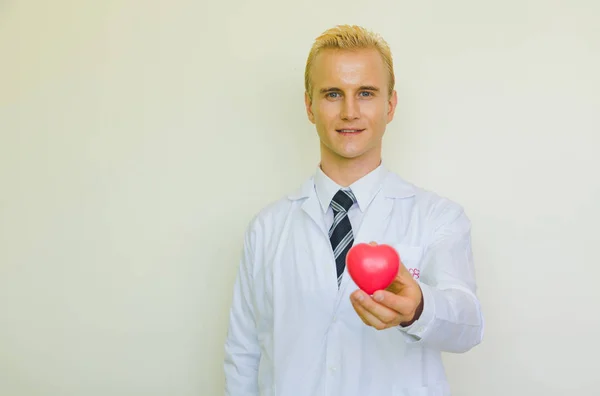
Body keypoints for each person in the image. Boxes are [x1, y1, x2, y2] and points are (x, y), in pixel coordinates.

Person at [223, 24, 484, 396]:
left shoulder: (438, 217)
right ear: (309, 106)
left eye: (365, 93)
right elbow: (242, 354)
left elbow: (469, 325)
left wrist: (418, 308)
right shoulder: (267, 228)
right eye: (332, 93)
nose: (349, 111)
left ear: (390, 105)